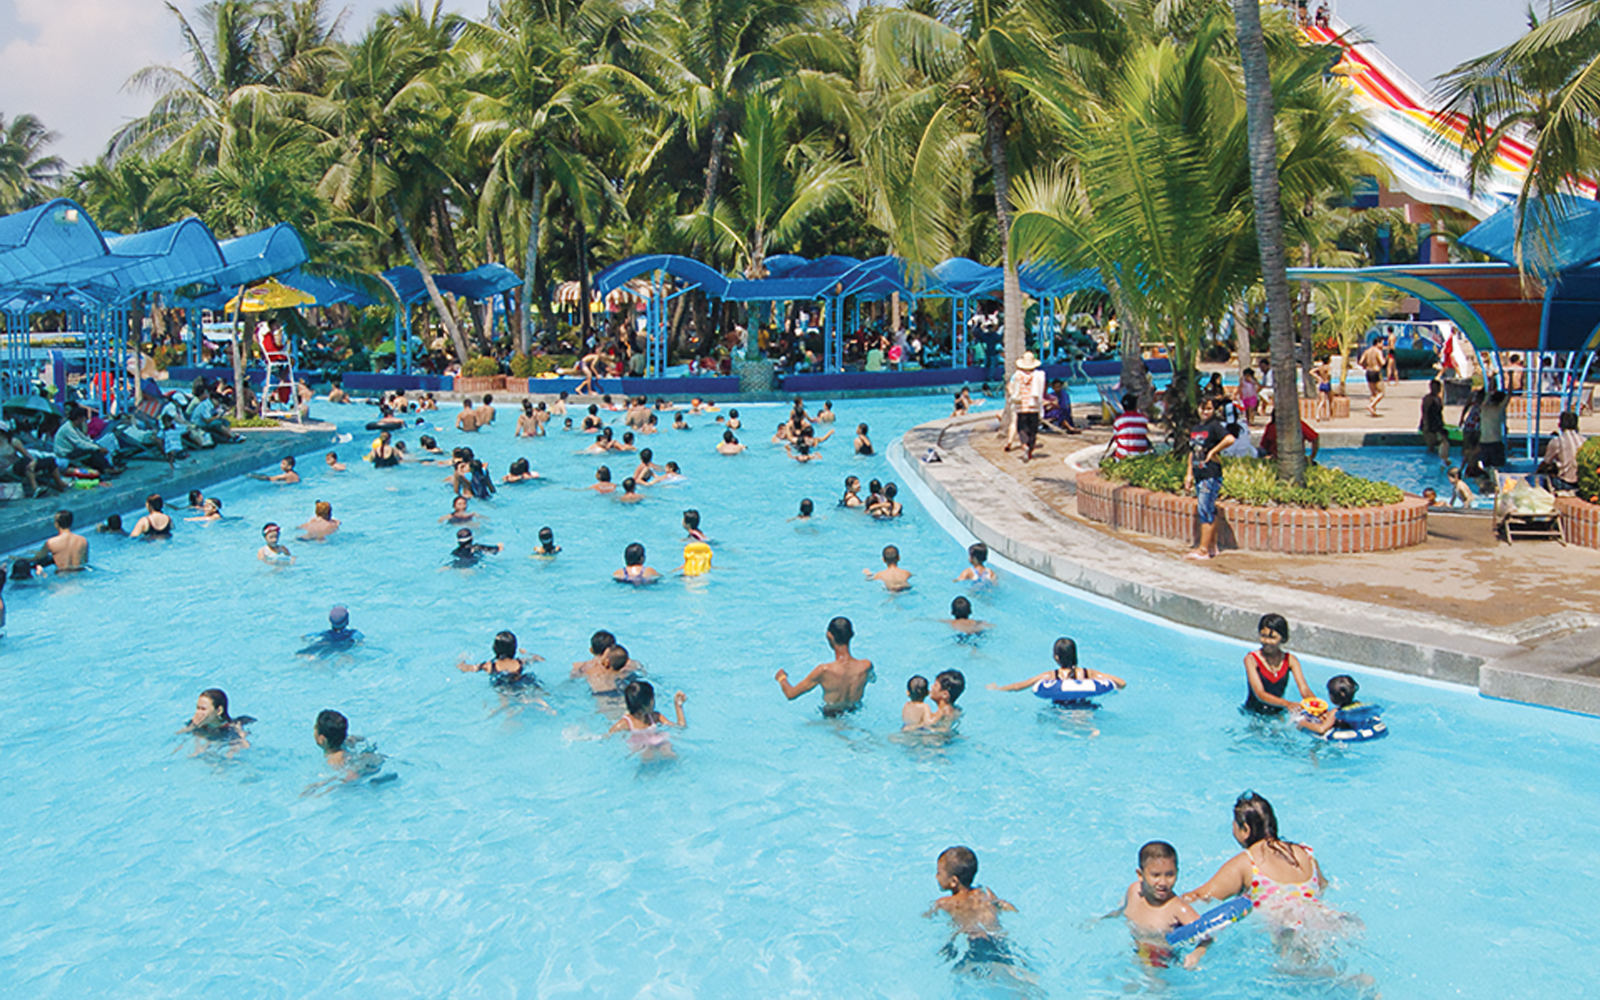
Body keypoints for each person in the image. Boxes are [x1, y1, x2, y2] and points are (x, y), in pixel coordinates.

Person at [1183, 793, 1339, 949]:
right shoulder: (1305, 854)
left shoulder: (1246, 863)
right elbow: (1322, 886)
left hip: (1284, 937)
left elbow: (1200, 897)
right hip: (1322, 928)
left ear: (1246, 829)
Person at [1113, 841, 1209, 969]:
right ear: (1140, 875)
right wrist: (1100, 920)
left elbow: (1208, 935)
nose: (1163, 882)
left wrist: (1197, 954)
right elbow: (1121, 911)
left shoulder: (1179, 909)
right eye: (1156, 875)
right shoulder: (1133, 891)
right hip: (1134, 949)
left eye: (1170, 874)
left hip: (1161, 961)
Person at [925, 845, 1016, 962]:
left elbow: (928, 916)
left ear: (953, 881)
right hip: (997, 939)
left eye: (938, 873)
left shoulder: (944, 903)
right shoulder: (985, 892)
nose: (936, 876)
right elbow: (1002, 905)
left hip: (975, 942)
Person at [775, 616, 875, 717]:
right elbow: (872, 679)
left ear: (829, 636)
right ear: (852, 635)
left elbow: (791, 694)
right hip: (855, 712)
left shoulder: (824, 671)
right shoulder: (866, 666)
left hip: (831, 718)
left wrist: (782, 678)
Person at [1183, 396, 1235, 560]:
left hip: (1210, 473)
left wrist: (1213, 451)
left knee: (1205, 509)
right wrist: (1189, 474)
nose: (1205, 412)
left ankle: (1203, 549)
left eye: (1209, 409)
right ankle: (1212, 546)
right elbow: (1192, 452)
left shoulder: (1215, 426)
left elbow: (1230, 438)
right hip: (1199, 473)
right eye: (1202, 408)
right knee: (1206, 508)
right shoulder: (1196, 428)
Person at [987, 636, 1126, 697]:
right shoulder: (1088, 673)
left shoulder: (1050, 676)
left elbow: (1019, 686)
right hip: (1087, 708)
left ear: (1056, 657)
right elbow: (1121, 683)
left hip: (1060, 710)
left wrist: (998, 688)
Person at [1243, 613, 1314, 715]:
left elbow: (1304, 689)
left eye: (1272, 637)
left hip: (1277, 711)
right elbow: (1260, 694)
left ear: (1283, 638)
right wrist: (1288, 704)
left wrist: (1317, 708)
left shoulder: (1290, 660)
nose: (1267, 641)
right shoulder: (1251, 660)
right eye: (1263, 636)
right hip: (1253, 713)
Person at [607, 680, 687, 760]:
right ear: (650, 701)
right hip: (642, 748)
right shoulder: (626, 723)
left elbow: (680, 727)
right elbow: (607, 736)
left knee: (666, 749)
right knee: (646, 753)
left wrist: (678, 705)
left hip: (656, 743)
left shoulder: (656, 717)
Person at [1296, 674, 1379, 738]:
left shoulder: (1335, 712)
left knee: (1312, 750)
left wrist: (1303, 723)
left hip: (1338, 739)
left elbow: (1322, 729)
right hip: (1355, 733)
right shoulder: (1357, 705)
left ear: (1333, 697)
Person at [456, 629, 544, 685]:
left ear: (495, 648)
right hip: (520, 681)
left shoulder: (489, 665)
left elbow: (465, 668)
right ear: (514, 648)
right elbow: (540, 659)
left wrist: (461, 658)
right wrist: (527, 653)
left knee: (504, 701)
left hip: (501, 684)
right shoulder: (521, 661)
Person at [180, 688, 254, 751]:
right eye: (198, 708)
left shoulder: (231, 728)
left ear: (219, 711)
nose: (198, 713)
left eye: (203, 709)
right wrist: (192, 727)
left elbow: (246, 748)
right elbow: (177, 736)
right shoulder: (196, 724)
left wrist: (241, 735)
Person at [1007, 351, 1045, 461]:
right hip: (1034, 406)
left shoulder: (1017, 375)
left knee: (1022, 428)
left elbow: (1011, 388)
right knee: (1033, 430)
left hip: (1021, 406)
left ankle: (1024, 444)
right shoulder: (1038, 375)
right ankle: (1030, 447)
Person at [1539, 411, 1586, 490]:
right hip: (1581, 482)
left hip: (1564, 482)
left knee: (1544, 474)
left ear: (1560, 425)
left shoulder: (1557, 442)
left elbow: (1546, 463)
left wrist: (1536, 472)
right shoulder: (1584, 441)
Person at [298, 605, 363, 654]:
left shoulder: (325, 634)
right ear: (347, 621)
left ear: (329, 621)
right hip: (343, 648)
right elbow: (360, 642)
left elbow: (305, 637)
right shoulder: (353, 633)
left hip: (326, 645)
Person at [1109, 394, 1151, 460]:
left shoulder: (1118, 421)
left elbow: (1116, 438)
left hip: (1123, 456)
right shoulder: (1144, 419)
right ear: (1136, 406)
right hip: (1141, 455)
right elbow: (1144, 432)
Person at [1419, 379, 1450, 467]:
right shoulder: (1428, 399)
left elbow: (1439, 412)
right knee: (1431, 445)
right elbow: (1425, 412)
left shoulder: (1438, 399)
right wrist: (1425, 425)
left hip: (1437, 423)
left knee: (1441, 442)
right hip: (1430, 423)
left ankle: (1438, 461)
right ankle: (1430, 462)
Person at [1479, 389, 1509, 470]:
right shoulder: (1499, 409)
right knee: (1497, 468)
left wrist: (1491, 380)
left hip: (1483, 442)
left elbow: (1487, 394)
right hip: (1495, 442)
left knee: (1485, 468)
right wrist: (1510, 380)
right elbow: (1508, 395)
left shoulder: (1484, 408)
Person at [1358, 341, 1387, 416]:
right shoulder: (1378, 351)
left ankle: (1373, 410)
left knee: (1373, 393)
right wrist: (1385, 360)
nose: (1382, 345)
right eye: (1381, 343)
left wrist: (1365, 366)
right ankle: (1371, 405)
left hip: (1368, 372)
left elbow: (1361, 361)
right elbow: (1382, 362)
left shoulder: (1367, 351)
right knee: (1381, 393)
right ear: (1377, 343)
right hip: (1376, 371)